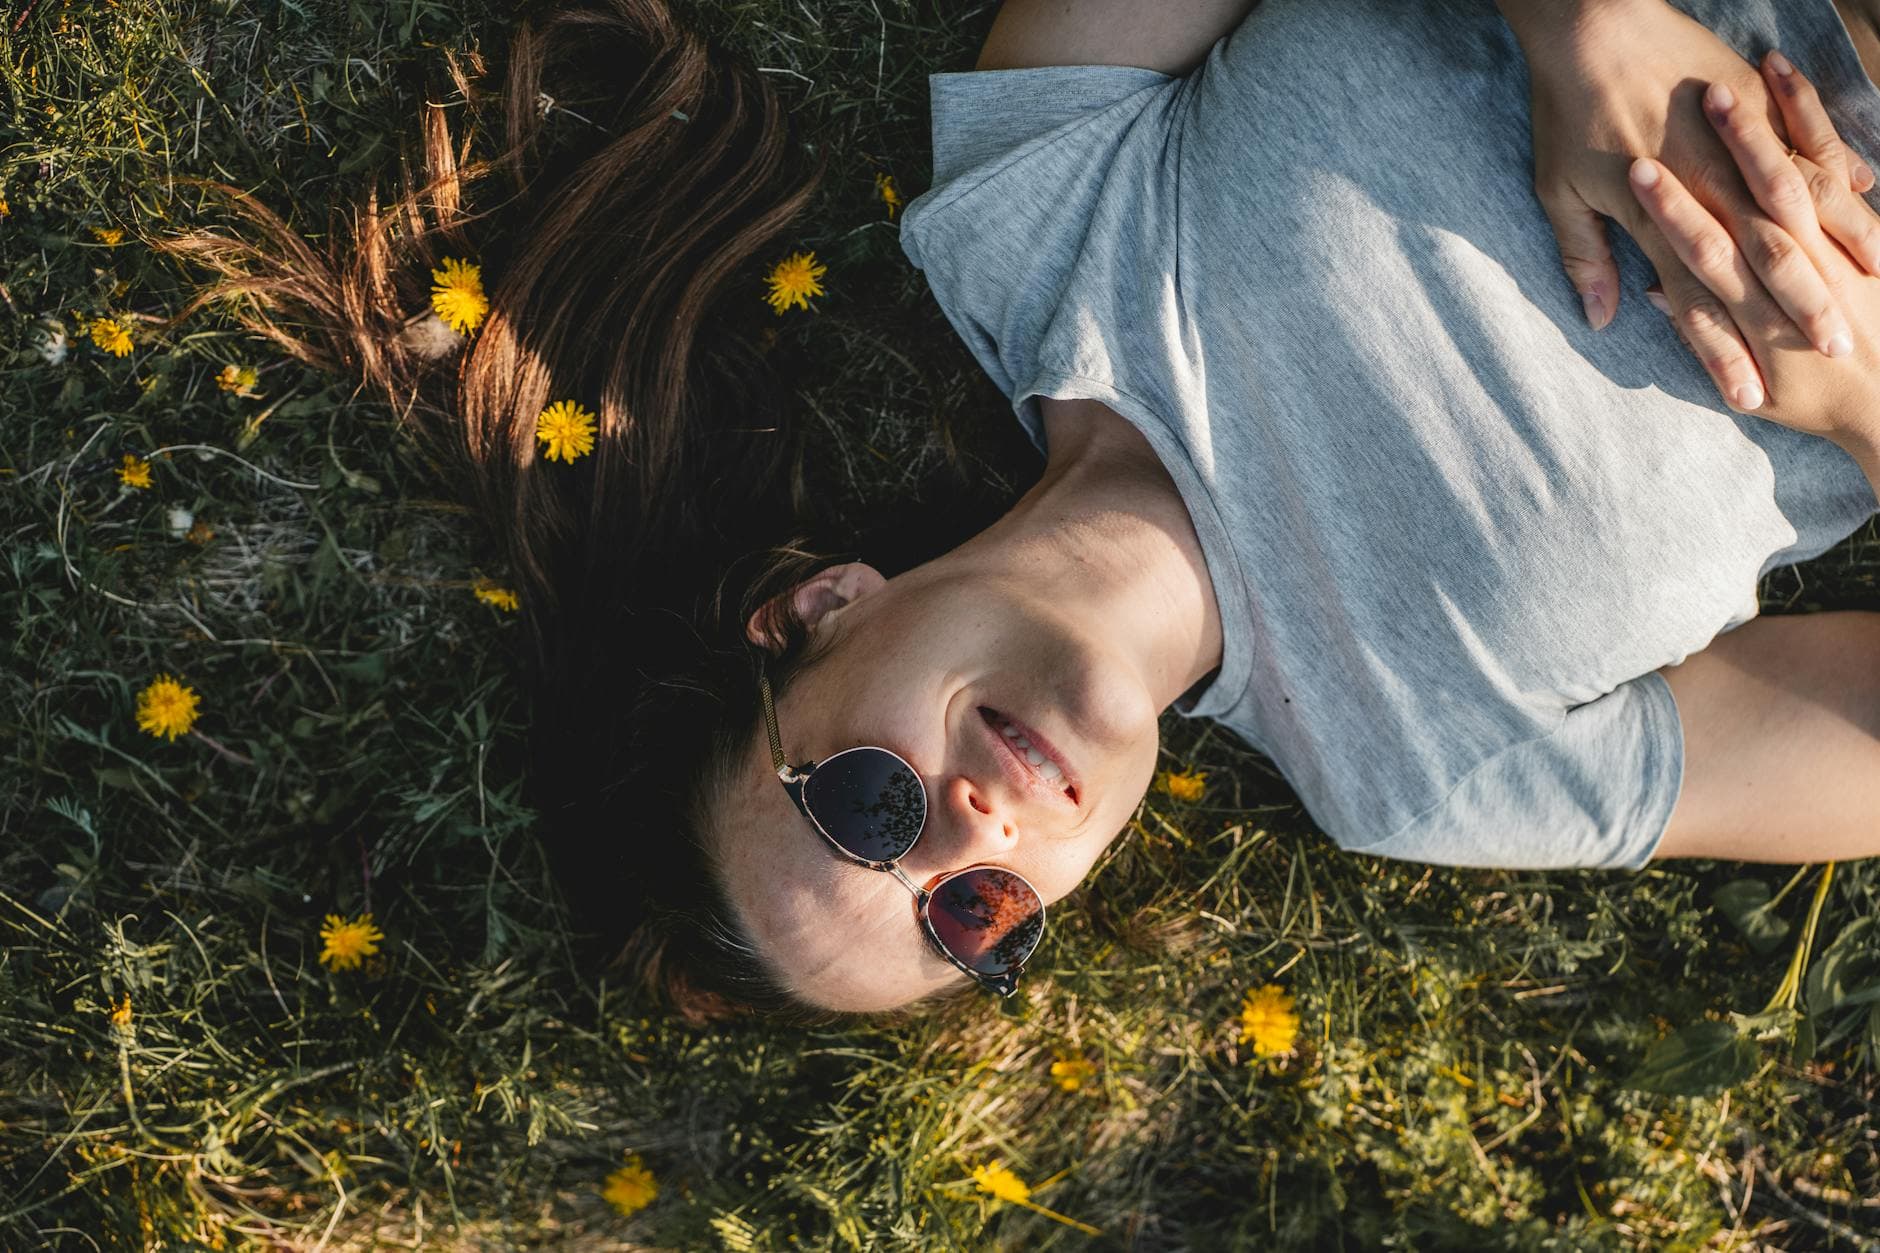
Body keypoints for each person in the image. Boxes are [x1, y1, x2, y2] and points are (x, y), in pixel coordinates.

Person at [178, 0, 1880, 1024]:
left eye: (864, 805)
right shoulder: (1429, 770)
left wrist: (1572, 21)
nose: (973, 831)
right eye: (973, 916)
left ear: (815, 607)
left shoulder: (1028, 222)